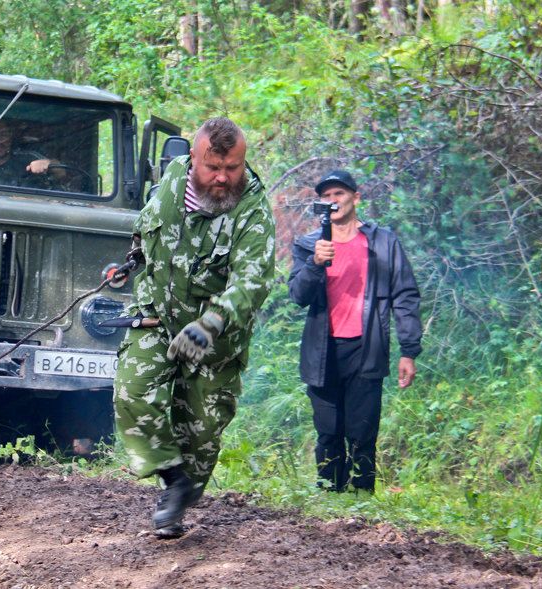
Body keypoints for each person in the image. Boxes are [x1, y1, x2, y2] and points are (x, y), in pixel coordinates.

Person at [114, 117, 276, 538]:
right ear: (192, 160)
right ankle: (172, 481)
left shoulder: (251, 211)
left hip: (214, 338)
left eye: (233, 167)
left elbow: (252, 281)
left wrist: (211, 323)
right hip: (158, 317)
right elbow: (147, 228)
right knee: (132, 391)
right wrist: (131, 261)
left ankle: (185, 491)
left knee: (201, 432)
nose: (223, 177)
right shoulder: (170, 179)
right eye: (212, 167)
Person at [288, 169, 423, 493]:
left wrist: (409, 350)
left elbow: (404, 294)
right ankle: (328, 501)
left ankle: (361, 502)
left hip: (367, 348)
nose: (333, 201)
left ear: (355, 198)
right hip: (322, 351)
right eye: (327, 196)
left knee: (362, 433)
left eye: (339, 194)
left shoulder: (382, 242)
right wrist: (314, 264)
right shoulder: (310, 245)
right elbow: (298, 296)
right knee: (328, 432)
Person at [0, 120, 64, 188]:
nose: (0, 141)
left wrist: (46, 163)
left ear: (10, 138)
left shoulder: (28, 159)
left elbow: (61, 172)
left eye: (4, 134)